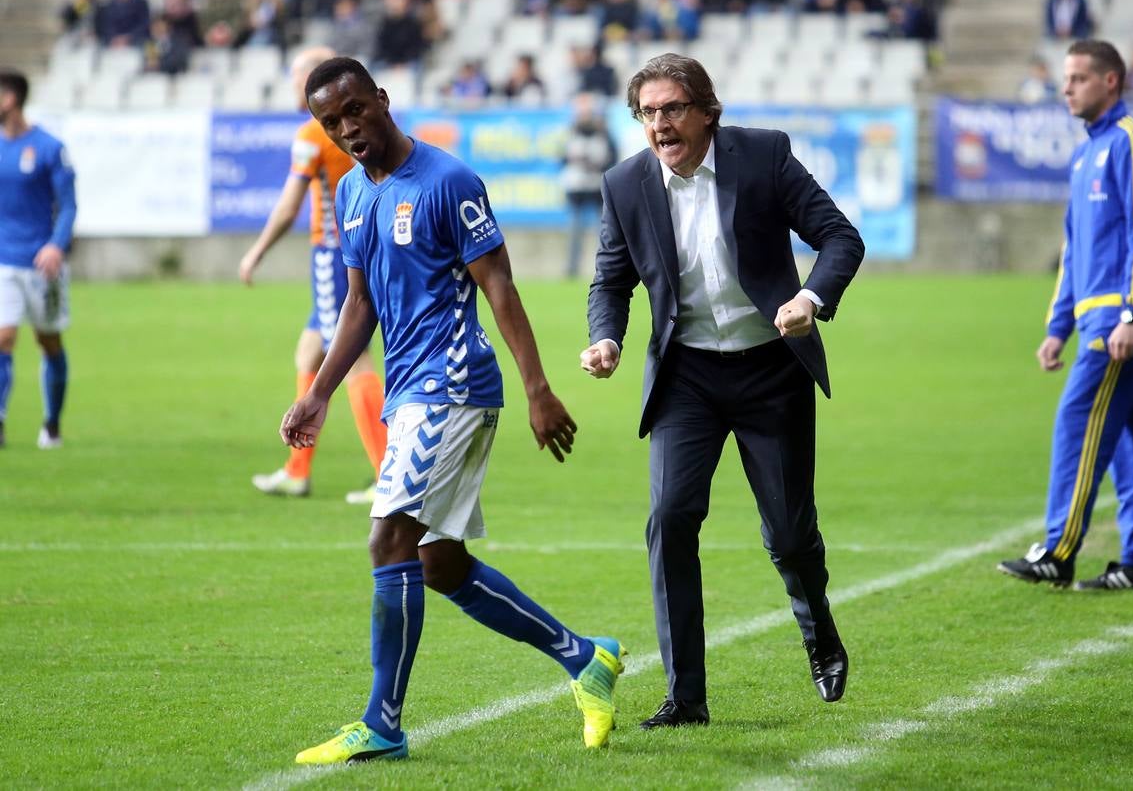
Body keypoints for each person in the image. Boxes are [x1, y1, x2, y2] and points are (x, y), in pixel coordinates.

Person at [281, 57, 625, 763]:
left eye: (355, 110)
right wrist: (317, 391)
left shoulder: (448, 181)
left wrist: (538, 389)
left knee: (387, 541)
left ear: (382, 99)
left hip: (453, 381)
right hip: (408, 388)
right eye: (331, 122)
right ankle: (585, 658)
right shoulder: (350, 192)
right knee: (437, 563)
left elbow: (498, 285)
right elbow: (359, 304)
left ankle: (382, 724)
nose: (348, 129)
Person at [582, 54, 863, 728]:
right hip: (687, 377)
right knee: (670, 518)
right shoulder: (624, 184)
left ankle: (819, 632)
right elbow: (610, 280)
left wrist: (809, 299)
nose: (660, 124)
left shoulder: (763, 156)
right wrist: (607, 338)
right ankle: (686, 695)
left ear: (707, 112)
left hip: (771, 368)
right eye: (647, 112)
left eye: (673, 108)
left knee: (789, 535)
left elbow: (838, 238)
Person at [998, 40, 1133, 592]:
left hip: (1121, 318)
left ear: (1111, 81)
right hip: (1097, 317)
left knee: (1078, 417)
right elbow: (1073, 250)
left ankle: (1059, 550)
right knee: (1127, 435)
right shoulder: (1084, 155)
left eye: (1077, 78)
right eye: (1065, 78)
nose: (1066, 88)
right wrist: (1057, 327)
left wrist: (1132, 313)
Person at [239, 47, 387, 504]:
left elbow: (290, 205)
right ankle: (297, 470)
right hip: (368, 246)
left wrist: (257, 251)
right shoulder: (367, 126)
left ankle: (388, 473)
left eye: (297, 75)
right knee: (309, 352)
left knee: (354, 357)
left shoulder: (312, 134)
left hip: (334, 252)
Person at [0, 69, 76, 450]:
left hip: (41, 263)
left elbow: (69, 205)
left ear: (11, 98)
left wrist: (56, 245)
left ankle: (52, 423)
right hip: (4, 260)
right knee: (4, 337)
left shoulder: (49, 148)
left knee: (48, 342)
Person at [561, 93, 617, 278]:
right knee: (574, 232)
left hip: (596, 189)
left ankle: (604, 268)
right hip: (576, 189)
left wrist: (595, 165)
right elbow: (562, 158)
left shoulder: (604, 134)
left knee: (602, 233)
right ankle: (572, 268)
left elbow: (612, 159)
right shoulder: (571, 133)